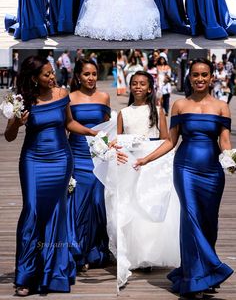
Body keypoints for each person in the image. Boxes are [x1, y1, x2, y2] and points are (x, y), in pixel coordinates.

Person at [134, 58, 234, 299]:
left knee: (209, 221)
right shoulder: (179, 105)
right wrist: (147, 159)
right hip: (185, 168)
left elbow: (225, 142)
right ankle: (197, 278)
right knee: (191, 219)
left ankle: (205, 273)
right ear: (189, 78)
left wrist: (231, 160)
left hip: (212, 171)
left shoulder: (222, 106)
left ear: (212, 78)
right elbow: (171, 141)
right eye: (195, 75)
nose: (200, 79)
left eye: (204, 75)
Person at [4, 56, 98, 296]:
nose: (52, 76)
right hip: (33, 161)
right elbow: (9, 136)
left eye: (52, 71)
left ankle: (51, 273)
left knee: (57, 213)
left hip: (61, 160)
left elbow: (69, 123)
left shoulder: (62, 93)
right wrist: (18, 122)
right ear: (34, 78)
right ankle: (24, 276)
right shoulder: (22, 100)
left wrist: (90, 132)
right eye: (46, 74)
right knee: (32, 211)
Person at [117, 71, 180, 287]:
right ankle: (135, 253)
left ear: (150, 88)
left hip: (151, 161)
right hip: (132, 161)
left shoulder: (158, 111)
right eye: (134, 83)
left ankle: (151, 252)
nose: (138, 87)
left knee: (150, 203)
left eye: (142, 84)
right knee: (133, 204)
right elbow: (119, 139)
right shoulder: (123, 113)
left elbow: (165, 138)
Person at [67, 59, 111, 269]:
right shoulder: (69, 98)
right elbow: (66, 126)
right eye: (86, 74)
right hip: (77, 154)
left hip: (99, 156)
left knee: (97, 203)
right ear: (78, 76)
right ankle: (78, 252)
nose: (91, 78)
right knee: (78, 204)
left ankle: (95, 250)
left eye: (94, 74)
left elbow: (108, 126)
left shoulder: (104, 97)